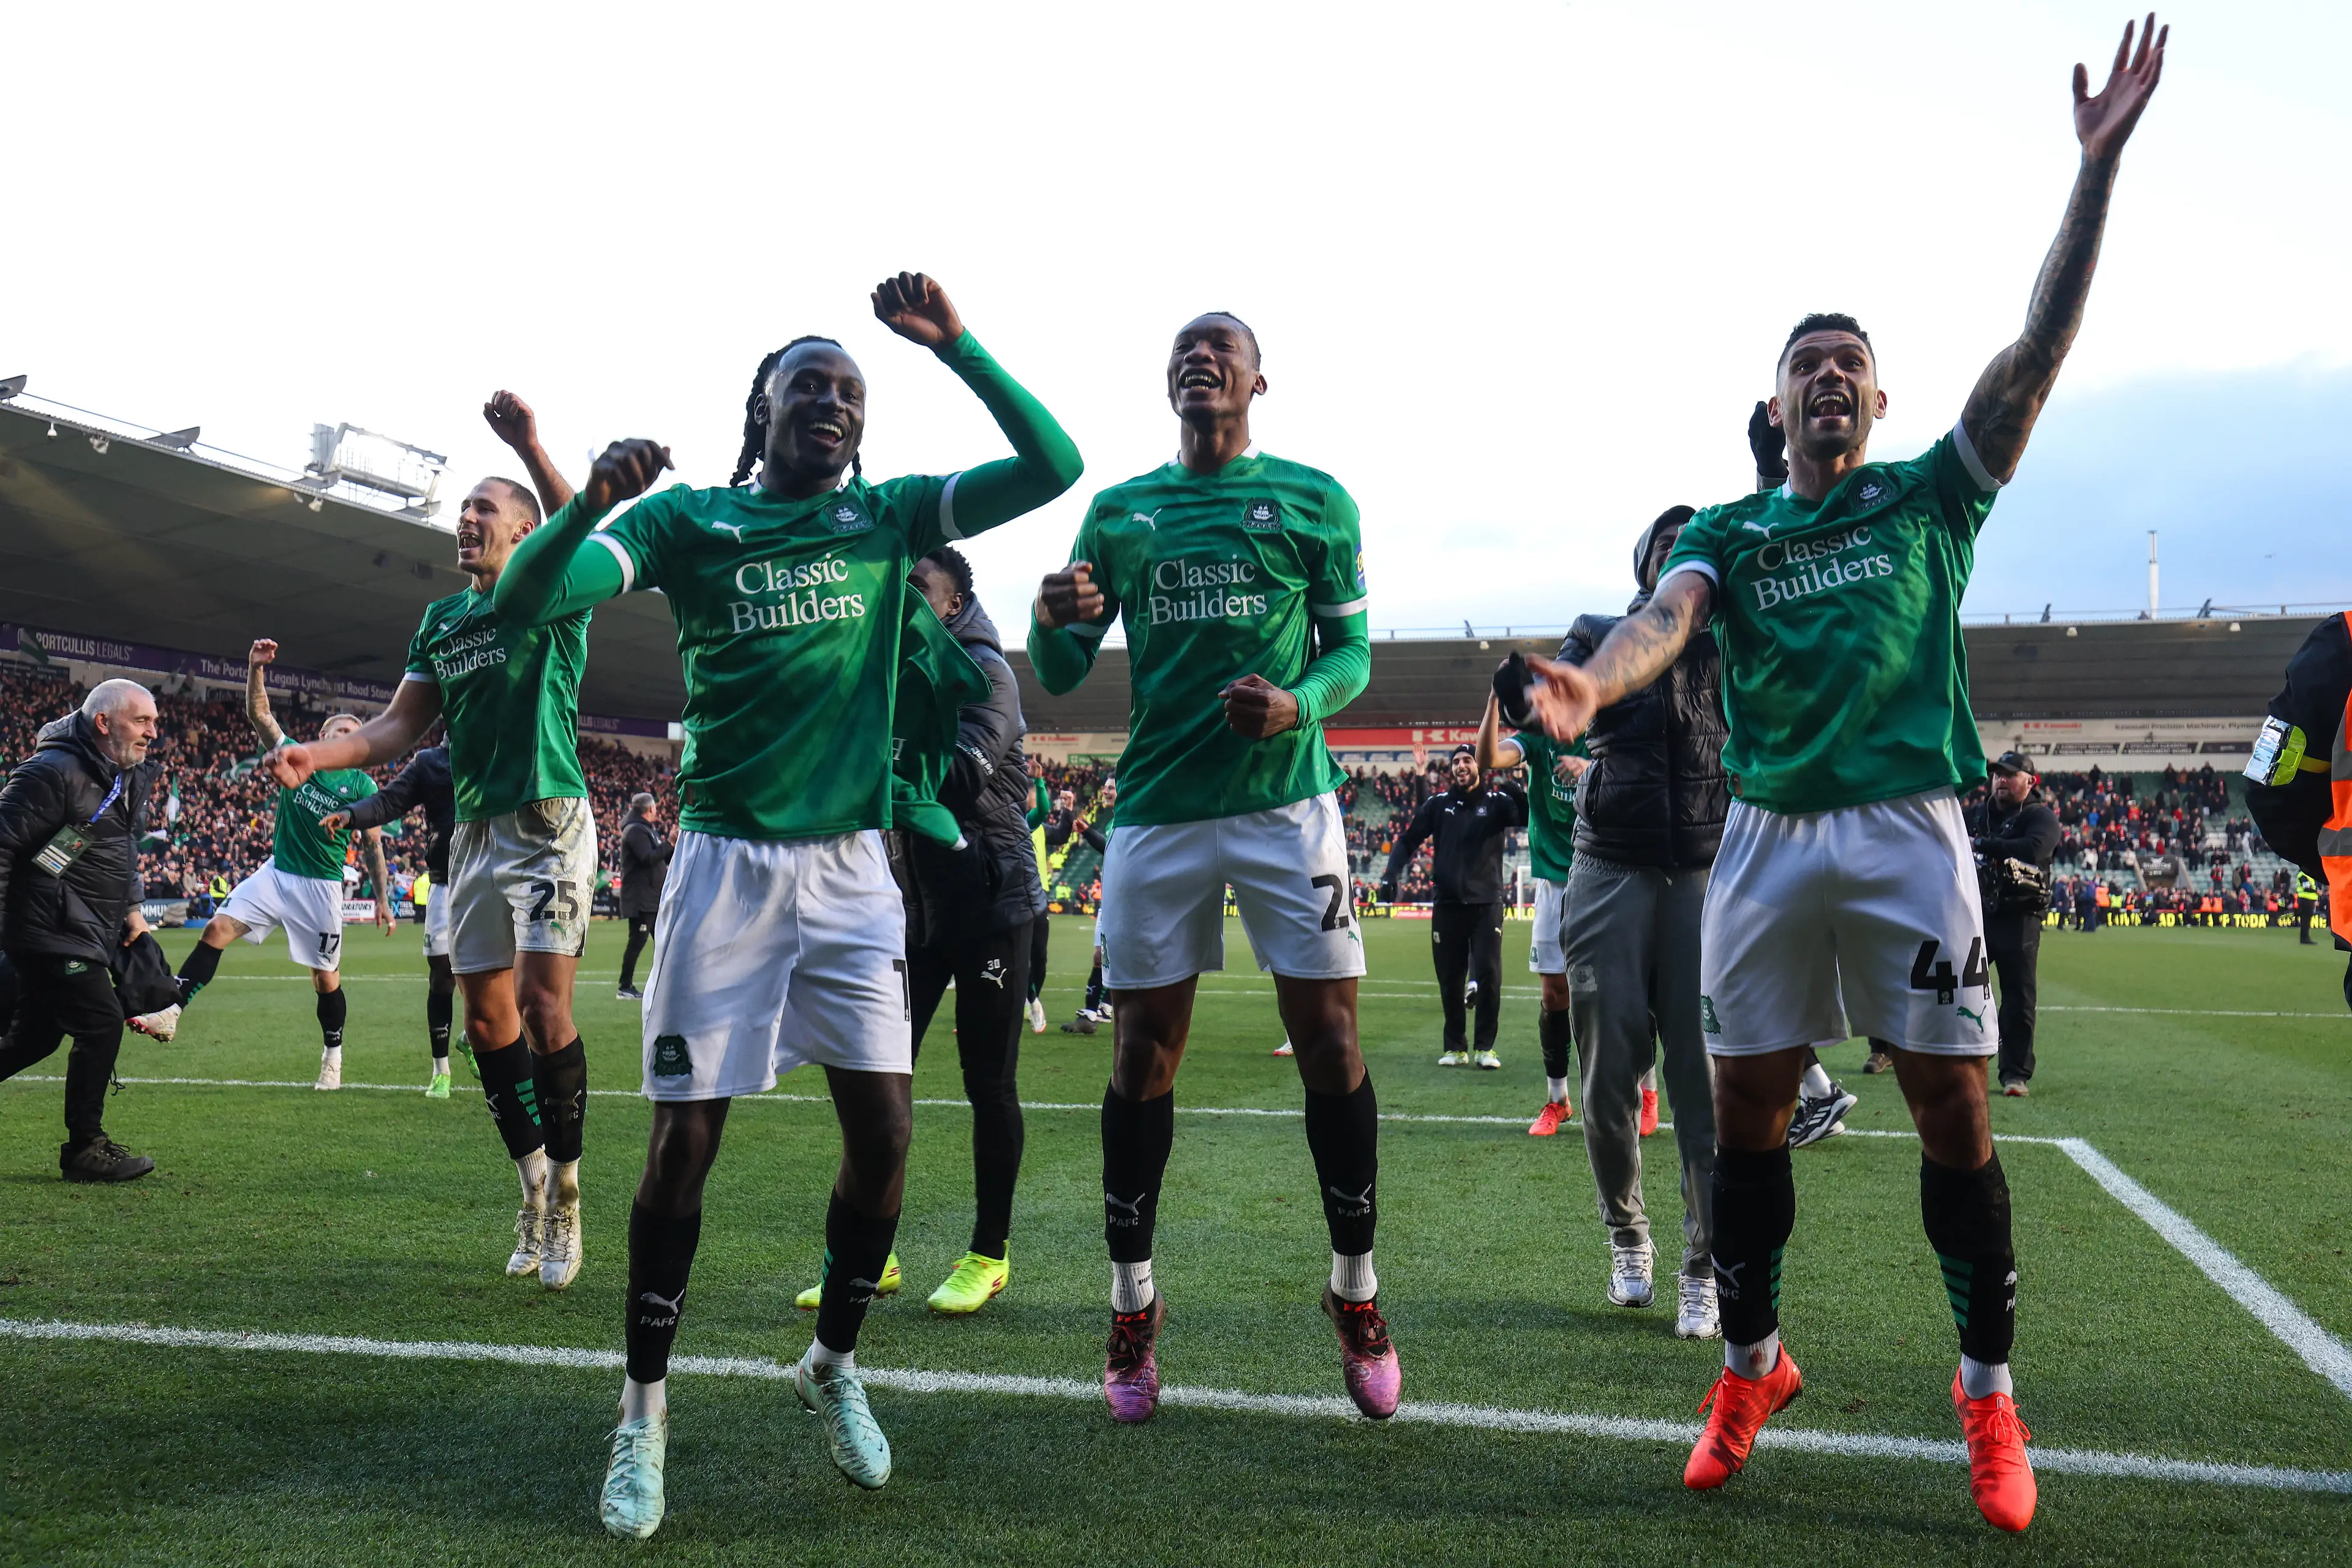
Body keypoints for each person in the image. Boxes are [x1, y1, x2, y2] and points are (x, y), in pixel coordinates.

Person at [1520, 18, 2166, 1531]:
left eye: (1850, 366)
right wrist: (1586, 680)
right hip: (1758, 841)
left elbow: (2038, 352)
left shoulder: (1930, 496)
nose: (1829, 378)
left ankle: (1985, 1395)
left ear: (1877, 404)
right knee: (1741, 1109)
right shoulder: (1733, 537)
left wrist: (2091, 178)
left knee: (1951, 1104)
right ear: (1775, 404)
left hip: (1904, 833)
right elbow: (1661, 622)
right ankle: (1749, 1358)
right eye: (1806, 363)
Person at [492, 273, 1081, 1538]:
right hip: (723, 870)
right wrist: (592, 498)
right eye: (808, 384)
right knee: (681, 1146)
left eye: (850, 392)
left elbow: (1054, 463)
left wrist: (959, 346)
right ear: (758, 410)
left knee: (884, 1140)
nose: (833, 403)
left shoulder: (887, 519)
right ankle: (642, 1409)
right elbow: (525, 598)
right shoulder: (693, 522)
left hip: (857, 872)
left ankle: (834, 1359)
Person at [1030, 309, 1395, 1426]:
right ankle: (1133, 1304)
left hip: (1289, 805)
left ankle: (1356, 1290)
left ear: (1257, 382)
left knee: (1331, 1041)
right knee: (1143, 1052)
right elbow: (1055, 670)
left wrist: (1299, 706)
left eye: (1221, 349)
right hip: (1159, 812)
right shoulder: (1120, 512)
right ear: (1170, 382)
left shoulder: (1317, 501)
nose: (1201, 359)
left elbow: (1352, 654)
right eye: (1186, 349)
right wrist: (1052, 616)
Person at [266, 393, 599, 1295]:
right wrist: (317, 752)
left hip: (549, 819)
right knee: (487, 1020)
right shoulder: (441, 621)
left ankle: (571, 1192)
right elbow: (393, 729)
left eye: (485, 510)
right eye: (463, 512)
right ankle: (532, 1185)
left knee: (540, 1004)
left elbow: (580, 524)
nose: (467, 520)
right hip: (480, 833)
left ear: (524, 530)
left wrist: (529, 444)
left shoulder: (558, 589)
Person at [792, 546, 1044, 1316]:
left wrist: (862, 767)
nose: (899, 601)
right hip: (915, 906)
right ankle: (875, 1251)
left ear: (953, 600)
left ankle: (989, 1254)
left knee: (987, 1083)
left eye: (916, 590)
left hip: (991, 902)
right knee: (877, 1076)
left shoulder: (984, 670)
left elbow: (960, 776)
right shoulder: (893, 666)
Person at [1504, 500, 1731, 1336]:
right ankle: (1627, 1237)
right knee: (1605, 1080)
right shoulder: (1597, 632)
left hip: (1708, 870)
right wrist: (1530, 697)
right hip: (1608, 866)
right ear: (1644, 569)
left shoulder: (1729, 640)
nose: (1679, 555)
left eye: (1693, 548)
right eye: (1665, 546)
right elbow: (1555, 696)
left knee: (1703, 1087)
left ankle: (1702, 1267)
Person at [130, 641, 393, 1092]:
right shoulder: (297, 754)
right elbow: (260, 715)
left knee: (325, 980)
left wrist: (384, 901)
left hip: (322, 887)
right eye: (338, 729)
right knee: (216, 930)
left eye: (353, 730)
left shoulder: (362, 782)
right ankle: (172, 1013)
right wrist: (255, 669)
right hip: (278, 871)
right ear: (324, 736)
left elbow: (373, 846)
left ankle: (333, 1055)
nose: (345, 735)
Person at [0, 680, 160, 1182]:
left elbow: (118, 849)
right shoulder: (52, 772)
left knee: (35, 1040)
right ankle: (85, 1149)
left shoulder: (118, 776)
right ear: (103, 723)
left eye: (154, 722)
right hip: (50, 927)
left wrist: (132, 908)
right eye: (142, 721)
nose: (153, 733)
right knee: (100, 1022)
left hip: (84, 927)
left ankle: (86, 1147)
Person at [1476, 694, 1586, 1130]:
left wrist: (1592, 770)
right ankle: (1557, 1100)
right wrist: (1495, 698)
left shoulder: (1604, 734)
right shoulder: (1538, 739)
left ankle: (1645, 1089)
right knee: (1554, 995)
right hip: (1553, 882)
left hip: (1605, 874)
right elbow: (1489, 757)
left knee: (1621, 994)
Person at [323, 734, 456, 1096]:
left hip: (493, 881)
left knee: (498, 981)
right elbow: (388, 801)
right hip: (447, 883)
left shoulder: (498, 752)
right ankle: (441, 1070)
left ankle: (476, 1038)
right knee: (442, 977)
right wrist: (351, 815)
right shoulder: (431, 762)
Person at [1378, 744, 1526, 1068]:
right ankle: (1455, 1047)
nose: (1461, 766)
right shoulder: (1438, 805)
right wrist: (1391, 874)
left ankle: (1485, 1048)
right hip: (1446, 904)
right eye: (1456, 762)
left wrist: (1517, 784)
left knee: (1489, 974)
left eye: (1468, 760)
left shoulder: (1497, 803)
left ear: (1479, 766)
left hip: (1487, 902)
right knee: (1450, 977)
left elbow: (1525, 816)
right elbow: (1407, 840)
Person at [1975, 753, 2060, 1096]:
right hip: (1976, 913)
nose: (2001, 781)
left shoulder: (2040, 816)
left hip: (2020, 917)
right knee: (1954, 991)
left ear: (2031, 782)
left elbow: (2035, 849)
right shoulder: (1978, 815)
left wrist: (1983, 844)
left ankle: (2015, 1073)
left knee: (2018, 997)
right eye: (1997, 775)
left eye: (2011, 775)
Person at [617, 792, 671, 1000]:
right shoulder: (635, 831)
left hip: (652, 898)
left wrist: (671, 847)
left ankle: (665, 983)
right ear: (650, 809)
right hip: (642, 900)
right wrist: (669, 844)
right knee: (637, 941)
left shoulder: (646, 830)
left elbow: (659, 859)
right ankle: (624, 986)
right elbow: (648, 858)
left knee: (665, 941)